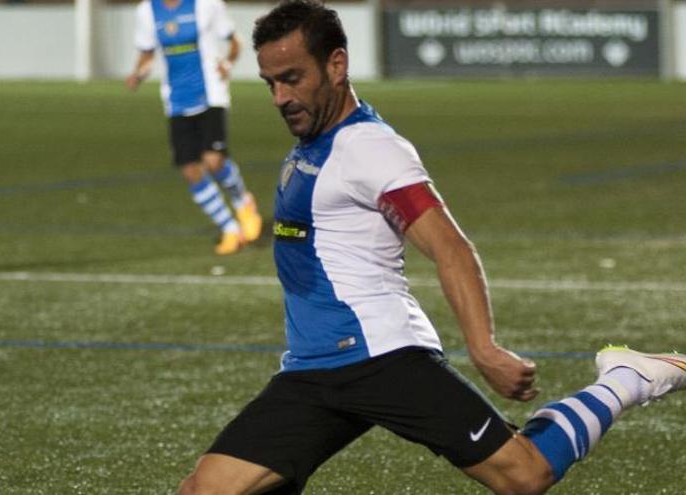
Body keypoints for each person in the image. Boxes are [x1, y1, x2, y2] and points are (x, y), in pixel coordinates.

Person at [177, 1, 686, 493]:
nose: (280, 98)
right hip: (312, 370)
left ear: (337, 65)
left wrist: (483, 348)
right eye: (270, 83)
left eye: (292, 78)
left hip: (381, 357)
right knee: (206, 489)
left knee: (523, 475)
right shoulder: (311, 144)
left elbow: (450, 247)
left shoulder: (371, 149)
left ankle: (625, 379)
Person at [127, 0, 262, 255]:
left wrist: (228, 64)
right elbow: (147, 54)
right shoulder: (147, 11)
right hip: (176, 101)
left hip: (211, 93)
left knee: (214, 162)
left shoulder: (207, 4)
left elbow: (235, 42)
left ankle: (243, 202)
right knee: (190, 170)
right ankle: (230, 229)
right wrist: (139, 73)